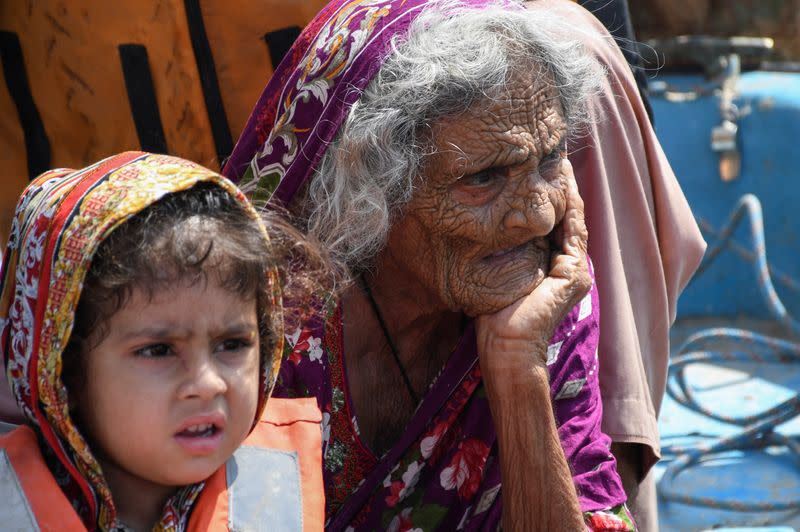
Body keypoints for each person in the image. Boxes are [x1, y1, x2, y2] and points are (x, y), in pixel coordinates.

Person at [224, 1, 643, 530]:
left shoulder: (549, 294)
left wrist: (518, 366)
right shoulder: (261, 324)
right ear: (370, 191)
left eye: (550, 158)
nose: (538, 217)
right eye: (485, 178)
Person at [0, 152, 326, 530]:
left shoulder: (281, 490)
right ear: (62, 373)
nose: (207, 384)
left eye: (232, 343)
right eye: (159, 350)